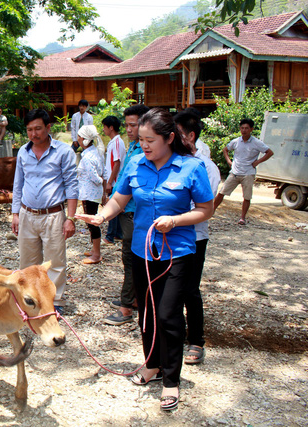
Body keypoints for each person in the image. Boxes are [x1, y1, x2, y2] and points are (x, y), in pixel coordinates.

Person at [76, 108, 214, 411]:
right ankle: (152, 365)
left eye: (150, 140)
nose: (144, 146)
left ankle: (171, 380)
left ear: (169, 138)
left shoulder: (190, 167)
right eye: (141, 139)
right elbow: (119, 199)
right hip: (141, 251)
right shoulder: (136, 163)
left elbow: (206, 209)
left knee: (168, 315)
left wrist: (176, 221)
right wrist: (101, 216)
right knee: (148, 313)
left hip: (177, 253)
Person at [12, 109, 78, 313]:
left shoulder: (64, 152)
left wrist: (71, 218)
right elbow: (18, 184)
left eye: (38, 128)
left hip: (54, 215)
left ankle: (55, 303)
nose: (34, 134)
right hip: (27, 214)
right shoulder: (23, 151)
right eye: (29, 130)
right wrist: (14, 214)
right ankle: (30, 301)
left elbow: (72, 185)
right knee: (27, 261)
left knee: (55, 262)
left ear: (49, 128)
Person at [174, 109, 221, 365]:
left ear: (190, 136)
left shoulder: (207, 168)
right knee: (172, 289)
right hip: (169, 237)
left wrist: (175, 218)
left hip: (194, 238)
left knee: (190, 290)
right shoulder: (171, 162)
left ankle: (196, 340)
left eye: (178, 134)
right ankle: (176, 334)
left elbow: (204, 208)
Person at [102, 104, 150, 326]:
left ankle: (126, 308)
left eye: (134, 125)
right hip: (124, 211)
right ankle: (134, 299)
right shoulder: (133, 146)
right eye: (128, 125)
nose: (129, 129)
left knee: (133, 260)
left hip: (133, 214)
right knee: (128, 258)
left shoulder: (146, 152)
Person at [213, 118, 273, 225]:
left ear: (251, 129)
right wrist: (229, 161)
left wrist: (258, 162)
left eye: (246, 128)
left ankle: (242, 218)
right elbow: (225, 149)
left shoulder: (256, 142)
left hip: (248, 173)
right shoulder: (236, 141)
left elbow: (269, 152)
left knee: (247, 197)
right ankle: (210, 212)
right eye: (242, 128)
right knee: (221, 192)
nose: (244, 130)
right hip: (235, 172)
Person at [76, 125, 106, 265]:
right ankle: (95, 250)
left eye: (78, 136)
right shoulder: (95, 152)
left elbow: (95, 177)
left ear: (83, 139)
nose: (77, 139)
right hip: (91, 193)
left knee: (92, 223)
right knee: (91, 222)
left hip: (90, 193)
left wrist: (100, 181)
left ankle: (97, 254)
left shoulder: (88, 157)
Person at [102, 115, 126, 244]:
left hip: (116, 180)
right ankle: (118, 233)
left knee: (113, 206)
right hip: (114, 179)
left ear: (111, 128)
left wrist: (110, 181)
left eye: (105, 127)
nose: (103, 130)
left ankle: (110, 235)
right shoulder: (114, 142)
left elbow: (117, 162)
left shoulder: (117, 141)